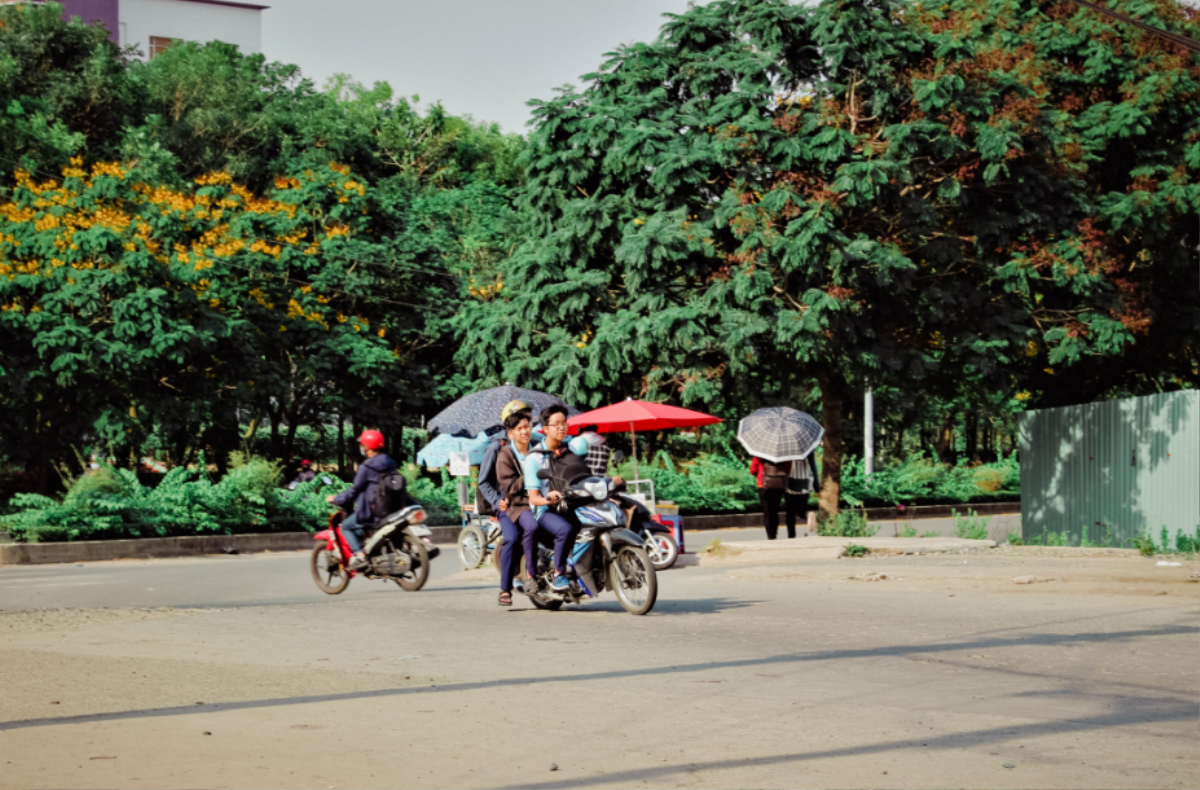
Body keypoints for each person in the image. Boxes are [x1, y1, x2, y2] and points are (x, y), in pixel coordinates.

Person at [521, 404, 583, 593]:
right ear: (545, 429)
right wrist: (549, 499)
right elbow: (534, 498)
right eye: (556, 424)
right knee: (565, 529)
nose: (562, 427)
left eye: (564, 423)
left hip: (569, 504)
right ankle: (559, 575)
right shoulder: (535, 458)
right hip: (545, 510)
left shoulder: (569, 451)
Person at [477, 400, 531, 606]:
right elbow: (483, 481)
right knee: (510, 538)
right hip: (507, 506)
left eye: (527, 419)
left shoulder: (535, 444)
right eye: (521, 418)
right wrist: (497, 500)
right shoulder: (496, 448)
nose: (526, 424)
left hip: (532, 501)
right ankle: (505, 589)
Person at [325, 430, 397, 570]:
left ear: (367, 447)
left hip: (372, 511)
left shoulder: (366, 467)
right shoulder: (390, 462)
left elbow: (354, 491)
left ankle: (359, 555)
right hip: (391, 508)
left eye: (362, 445)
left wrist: (337, 499)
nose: (361, 448)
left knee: (346, 526)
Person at [749, 456, 791, 540]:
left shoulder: (760, 453)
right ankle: (775, 534)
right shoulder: (784, 454)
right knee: (774, 511)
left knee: (767, 513)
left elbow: (753, 470)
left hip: (763, 484)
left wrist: (760, 474)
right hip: (778, 484)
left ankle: (771, 537)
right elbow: (787, 469)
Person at [784, 455, 821, 538]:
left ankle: (791, 536)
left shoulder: (786, 449)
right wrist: (817, 488)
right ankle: (808, 513)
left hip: (790, 484)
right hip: (804, 484)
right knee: (802, 510)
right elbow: (813, 468)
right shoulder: (807, 448)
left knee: (790, 512)